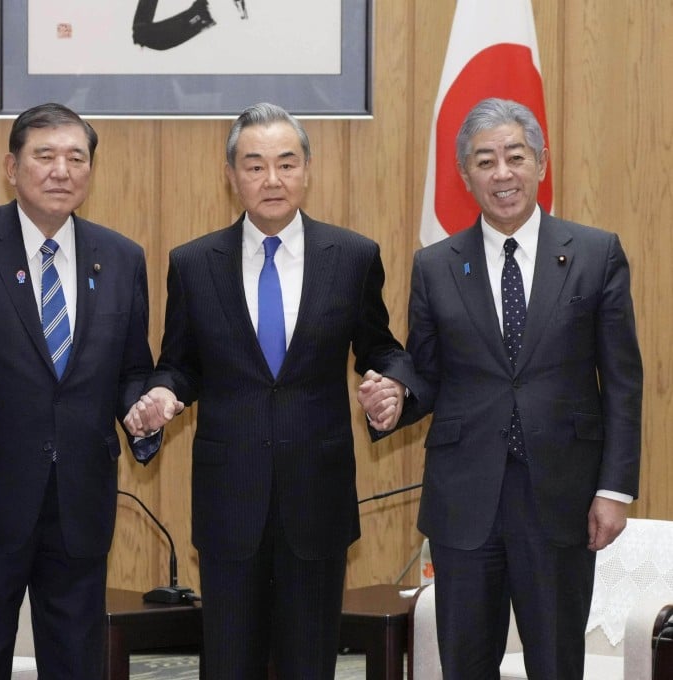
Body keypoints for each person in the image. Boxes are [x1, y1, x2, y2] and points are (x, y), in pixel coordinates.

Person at [126, 102, 420, 678]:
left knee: (309, 664)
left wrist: (394, 386)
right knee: (228, 664)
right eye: (254, 165)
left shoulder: (353, 256)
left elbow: (381, 348)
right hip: (228, 497)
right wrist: (162, 394)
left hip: (318, 495)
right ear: (231, 175)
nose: (272, 180)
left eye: (286, 164)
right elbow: (179, 364)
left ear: (307, 170)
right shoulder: (192, 263)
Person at [360, 97, 642, 679]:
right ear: (466, 176)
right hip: (466, 500)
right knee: (464, 664)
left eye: (515, 156)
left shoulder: (595, 253)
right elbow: (428, 371)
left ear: (541, 162)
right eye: (485, 161)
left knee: (557, 663)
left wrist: (615, 489)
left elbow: (621, 380)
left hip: (562, 497)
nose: (502, 173)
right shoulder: (436, 264)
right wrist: (396, 398)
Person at [0, 102, 161, 679]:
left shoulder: (120, 257)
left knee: (77, 662)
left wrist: (141, 409)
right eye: (44, 156)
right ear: (11, 166)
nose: (61, 170)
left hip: (81, 498)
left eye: (76, 157)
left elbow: (131, 370)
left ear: (91, 170)